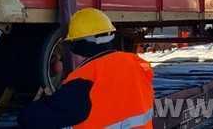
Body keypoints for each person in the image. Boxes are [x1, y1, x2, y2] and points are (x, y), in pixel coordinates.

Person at [18, 8, 154, 129]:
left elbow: (33, 119)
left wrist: (30, 110)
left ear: (79, 46)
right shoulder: (138, 64)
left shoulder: (84, 79)